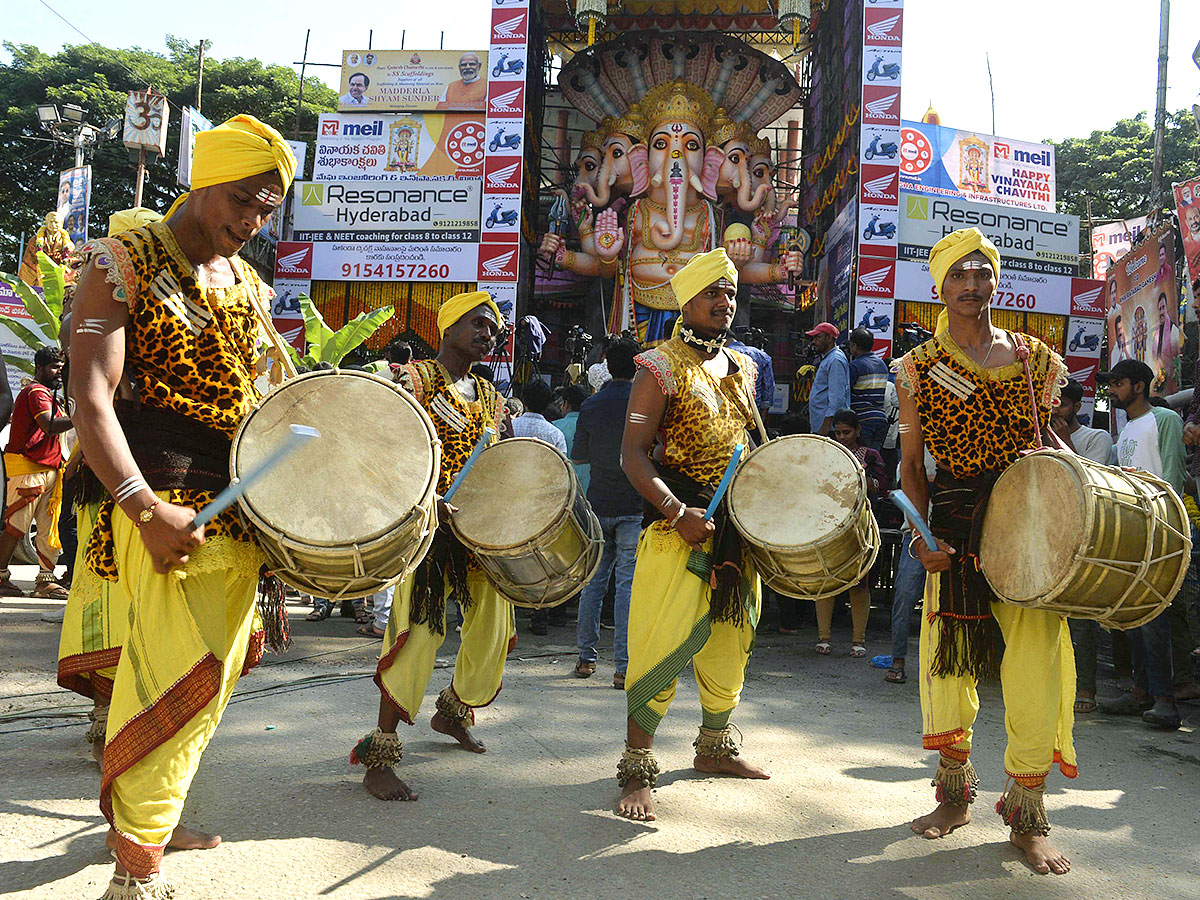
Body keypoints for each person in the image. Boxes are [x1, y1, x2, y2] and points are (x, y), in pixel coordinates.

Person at [70, 114, 296, 898]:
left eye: (266, 210)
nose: (251, 222)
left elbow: (267, 396)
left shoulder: (250, 287)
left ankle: (148, 824)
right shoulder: (123, 260)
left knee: (199, 680)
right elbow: (90, 395)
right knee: (177, 678)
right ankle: (138, 871)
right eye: (241, 201)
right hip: (162, 503)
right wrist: (141, 507)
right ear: (202, 181)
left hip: (235, 514)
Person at [896, 227, 1075, 874]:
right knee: (950, 668)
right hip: (958, 524)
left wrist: (1089, 496)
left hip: (1031, 527)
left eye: (982, 273)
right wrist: (922, 534)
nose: (972, 286)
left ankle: (1027, 818)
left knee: (1035, 670)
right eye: (958, 277)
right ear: (939, 288)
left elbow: (1048, 442)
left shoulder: (1035, 358)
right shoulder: (917, 369)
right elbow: (912, 465)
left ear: (995, 280)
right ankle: (954, 799)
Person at [615, 248, 769, 823]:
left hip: (734, 532)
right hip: (677, 528)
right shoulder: (658, 365)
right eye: (713, 293)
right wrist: (678, 512)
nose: (724, 303)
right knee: (659, 645)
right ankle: (636, 768)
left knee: (731, 644)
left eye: (730, 294)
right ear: (687, 301)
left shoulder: (746, 367)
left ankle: (714, 749)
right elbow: (632, 456)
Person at [352, 290, 514, 802]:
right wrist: (427, 497)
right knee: (417, 636)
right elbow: (384, 446)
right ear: (447, 329)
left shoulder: (490, 396)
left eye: (493, 327)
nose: (488, 334)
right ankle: (380, 755)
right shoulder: (413, 379)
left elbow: (501, 460)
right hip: (428, 532)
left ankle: (452, 713)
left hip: (477, 535)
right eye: (478, 325)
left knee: (494, 631)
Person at [1105, 358, 1186, 730]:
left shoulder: (1164, 420)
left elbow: (1172, 478)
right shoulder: (1126, 430)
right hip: (1133, 532)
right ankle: (1141, 692)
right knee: (1133, 616)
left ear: (1139, 386)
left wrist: (1169, 530)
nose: (1112, 389)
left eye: (1118, 383)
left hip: (1160, 532)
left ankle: (1165, 700)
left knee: (1154, 617)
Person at [572, 337, 643, 689]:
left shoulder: (591, 404)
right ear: (638, 364)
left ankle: (585, 658)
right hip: (634, 502)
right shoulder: (644, 402)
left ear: (607, 364)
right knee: (627, 587)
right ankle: (622, 667)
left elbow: (580, 456)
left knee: (594, 583)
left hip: (599, 502)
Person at [1049, 379, 1114, 715]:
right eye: (1051, 403)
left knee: (1080, 616)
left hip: (1084, 537)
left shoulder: (1096, 438)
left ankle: (1085, 688)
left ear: (1076, 406)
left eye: (1061, 403)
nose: (1055, 409)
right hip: (1051, 534)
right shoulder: (1040, 438)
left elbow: (1091, 480)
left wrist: (1065, 442)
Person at [0, 346, 72, 599]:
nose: (58, 374)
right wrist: (86, 414)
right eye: (54, 368)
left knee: (46, 527)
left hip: (49, 469)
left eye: (61, 369)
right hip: (28, 469)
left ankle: (45, 581)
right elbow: (49, 425)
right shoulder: (36, 392)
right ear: (39, 368)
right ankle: (0, 577)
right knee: (15, 527)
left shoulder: (52, 396)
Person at [815, 409, 886, 657]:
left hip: (860, 526)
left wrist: (859, 474)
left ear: (858, 431)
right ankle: (823, 637)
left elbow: (881, 486)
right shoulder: (828, 453)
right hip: (830, 526)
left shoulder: (871, 455)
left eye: (847, 432)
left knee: (859, 582)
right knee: (826, 581)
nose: (842, 437)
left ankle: (859, 640)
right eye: (838, 433)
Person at [847, 327, 889, 452]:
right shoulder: (882, 364)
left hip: (863, 420)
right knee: (874, 458)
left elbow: (847, 393)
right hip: (881, 419)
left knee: (862, 459)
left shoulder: (855, 366)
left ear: (854, 346)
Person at [806, 322, 849, 436]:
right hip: (821, 424)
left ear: (829, 338)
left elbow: (837, 396)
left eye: (818, 337)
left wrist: (826, 425)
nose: (814, 342)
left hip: (828, 428)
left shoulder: (835, 359)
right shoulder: (828, 358)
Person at [727, 330, 775, 420]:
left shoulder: (721, 354)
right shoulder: (762, 355)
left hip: (728, 414)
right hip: (753, 413)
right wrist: (762, 419)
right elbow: (768, 389)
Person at [511, 380, 568, 454]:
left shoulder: (510, 427)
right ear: (547, 405)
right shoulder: (555, 434)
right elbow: (561, 463)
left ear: (524, 401)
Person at [554, 384, 590, 496]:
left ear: (566, 404)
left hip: (563, 492)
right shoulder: (592, 426)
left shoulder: (554, 428)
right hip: (589, 489)